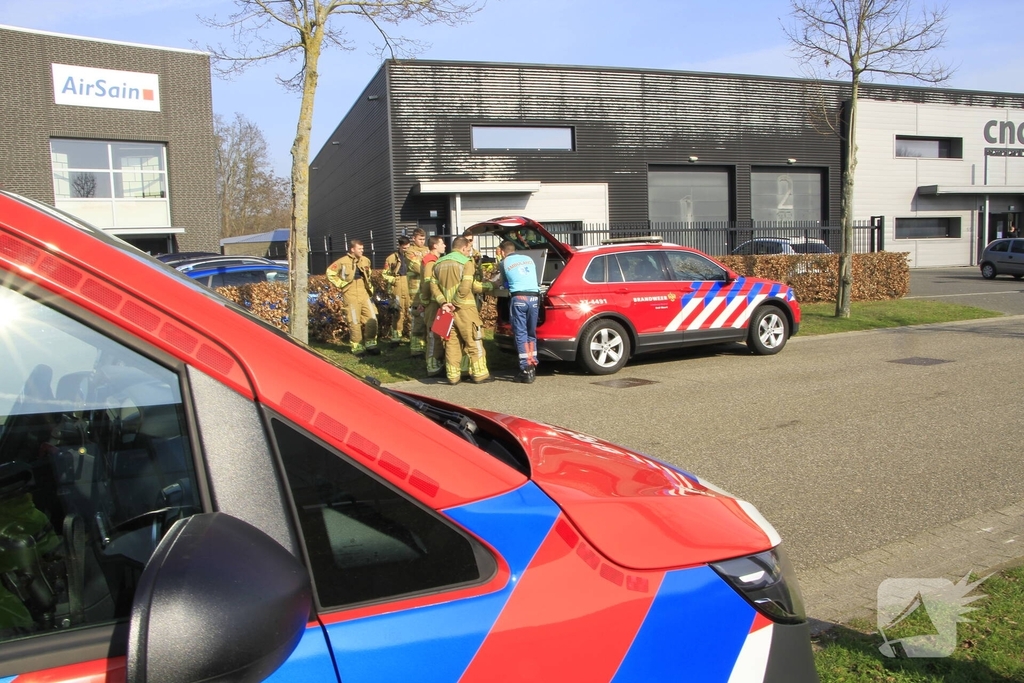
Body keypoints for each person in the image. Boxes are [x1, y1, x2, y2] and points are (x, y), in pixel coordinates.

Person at [430, 237, 493, 384]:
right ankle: (480, 374)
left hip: (446, 310)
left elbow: (433, 287)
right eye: (469, 249)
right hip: (465, 308)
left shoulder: (438, 263)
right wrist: (455, 303)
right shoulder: (466, 263)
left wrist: (444, 303)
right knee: (473, 339)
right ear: (464, 248)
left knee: (452, 342)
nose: (469, 252)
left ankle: (453, 376)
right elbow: (466, 286)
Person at [326, 239, 379, 355]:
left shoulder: (365, 260)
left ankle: (371, 344)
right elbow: (330, 272)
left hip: (364, 292)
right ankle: (357, 348)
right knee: (354, 322)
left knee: (372, 319)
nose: (362, 250)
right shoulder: (342, 261)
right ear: (352, 249)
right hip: (350, 294)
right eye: (359, 249)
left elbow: (368, 274)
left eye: (362, 248)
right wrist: (341, 284)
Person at [499, 240, 541, 383]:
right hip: (535, 298)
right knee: (531, 332)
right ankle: (533, 364)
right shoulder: (528, 259)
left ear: (503, 252)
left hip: (519, 298)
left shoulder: (504, 262)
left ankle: (525, 369)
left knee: (521, 333)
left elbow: (505, 283)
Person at [417, 235, 447, 376]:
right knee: (433, 334)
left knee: (438, 333)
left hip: (435, 302)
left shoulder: (435, 260)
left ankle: (437, 361)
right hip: (433, 303)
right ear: (435, 245)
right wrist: (425, 302)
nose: (445, 246)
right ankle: (432, 365)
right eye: (442, 243)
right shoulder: (430, 262)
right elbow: (428, 284)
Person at [404, 229, 430, 357]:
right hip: (415, 291)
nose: (422, 241)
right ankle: (416, 349)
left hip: (426, 289)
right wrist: (429, 267)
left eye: (423, 239)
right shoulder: (410, 252)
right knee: (418, 319)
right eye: (420, 239)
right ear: (414, 238)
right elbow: (417, 267)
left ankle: (424, 345)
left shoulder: (427, 250)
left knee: (427, 319)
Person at [382, 236, 411, 341]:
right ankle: (396, 338)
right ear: (399, 246)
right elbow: (384, 274)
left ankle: (411, 334)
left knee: (411, 311)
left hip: (409, 284)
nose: (406, 250)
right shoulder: (391, 258)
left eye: (408, 247)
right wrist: (393, 280)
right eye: (404, 248)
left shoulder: (413, 256)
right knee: (397, 312)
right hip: (397, 285)